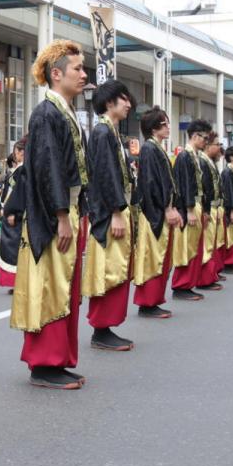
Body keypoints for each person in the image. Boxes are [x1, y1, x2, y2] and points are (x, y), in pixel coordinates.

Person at [12, 39, 90, 389]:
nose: (84, 74)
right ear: (56, 74)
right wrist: (60, 215)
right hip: (51, 214)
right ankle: (45, 363)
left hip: (67, 209)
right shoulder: (47, 113)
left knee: (63, 286)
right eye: (77, 68)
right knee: (51, 286)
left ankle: (56, 360)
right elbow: (48, 168)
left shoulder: (63, 111)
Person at [82, 79, 136, 350]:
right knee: (110, 270)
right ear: (108, 102)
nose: (128, 104)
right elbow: (105, 175)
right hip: (109, 213)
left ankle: (106, 329)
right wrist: (116, 211)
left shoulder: (110, 132)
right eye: (123, 99)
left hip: (116, 210)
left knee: (117, 268)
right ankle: (101, 330)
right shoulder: (103, 133)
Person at [131, 106, 182, 318]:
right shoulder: (150, 149)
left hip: (159, 210)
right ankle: (147, 303)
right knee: (154, 256)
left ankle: (154, 300)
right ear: (153, 128)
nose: (168, 128)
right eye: (164, 124)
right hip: (154, 212)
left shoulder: (155, 148)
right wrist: (167, 208)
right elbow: (152, 184)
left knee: (160, 255)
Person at [170, 120, 211, 302]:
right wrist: (189, 210)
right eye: (205, 138)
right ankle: (181, 285)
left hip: (195, 205)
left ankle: (188, 284)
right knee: (186, 247)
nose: (206, 142)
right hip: (189, 207)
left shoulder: (194, 156)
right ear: (195, 136)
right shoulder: (185, 156)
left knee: (194, 247)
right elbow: (184, 185)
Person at [196, 133, 226, 291]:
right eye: (217, 144)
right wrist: (206, 210)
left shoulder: (209, 162)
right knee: (206, 245)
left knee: (211, 243)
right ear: (208, 146)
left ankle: (210, 275)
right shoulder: (202, 162)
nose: (219, 147)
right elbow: (205, 189)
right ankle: (203, 279)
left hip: (213, 207)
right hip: (207, 208)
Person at [0, 139, 26, 290]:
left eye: (16, 153)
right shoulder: (21, 170)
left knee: (14, 248)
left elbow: (17, 193)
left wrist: (11, 210)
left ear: (21, 152)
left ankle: (18, 280)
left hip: (18, 212)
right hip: (20, 211)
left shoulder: (23, 170)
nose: (16, 156)